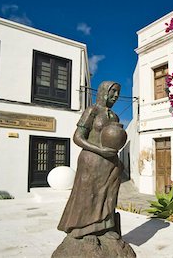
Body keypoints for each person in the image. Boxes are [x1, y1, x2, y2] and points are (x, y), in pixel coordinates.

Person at [57, 81, 125, 239]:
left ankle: (106, 227)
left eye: (118, 93)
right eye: (113, 91)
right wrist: (99, 150)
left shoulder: (115, 116)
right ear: (103, 91)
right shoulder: (92, 110)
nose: (116, 96)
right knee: (88, 195)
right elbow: (77, 137)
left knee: (108, 195)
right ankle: (83, 229)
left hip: (110, 162)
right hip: (91, 159)